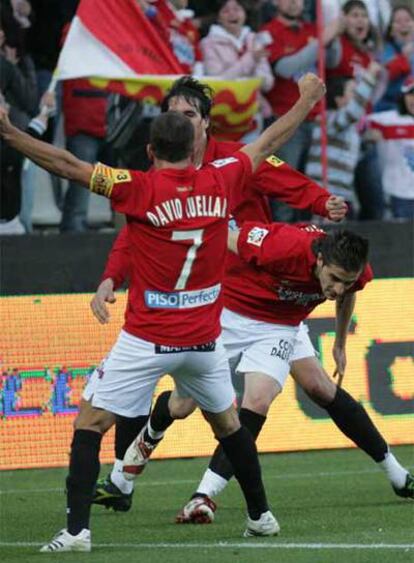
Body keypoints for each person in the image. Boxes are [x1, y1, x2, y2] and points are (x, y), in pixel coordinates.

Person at [0, 72, 326, 551]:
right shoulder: (225, 177)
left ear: (150, 153)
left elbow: (67, 164)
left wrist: (9, 133)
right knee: (230, 426)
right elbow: (270, 139)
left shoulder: (137, 188)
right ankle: (261, 516)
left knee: (89, 424)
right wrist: (306, 101)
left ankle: (76, 532)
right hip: (204, 342)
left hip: (148, 340)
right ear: (196, 148)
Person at [87, 74, 346, 512]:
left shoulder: (233, 162)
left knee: (303, 388)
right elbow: (131, 235)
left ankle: (206, 495)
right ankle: (126, 476)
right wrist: (112, 276)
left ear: (206, 124)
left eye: (188, 115)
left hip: (255, 297)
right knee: (177, 399)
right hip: (207, 301)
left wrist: (322, 202)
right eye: (173, 116)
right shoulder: (160, 174)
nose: (180, 122)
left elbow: (283, 175)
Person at [121, 222, 414, 524]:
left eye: (346, 281)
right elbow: (219, 237)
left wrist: (339, 343)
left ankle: (203, 495)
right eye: (334, 279)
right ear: (321, 260)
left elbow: (349, 291)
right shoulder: (282, 245)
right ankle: (149, 436)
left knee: (270, 398)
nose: (338, 289)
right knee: (182, 406)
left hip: (280, 326)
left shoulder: (353, 272)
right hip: (230, 314)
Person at [259, 0, 342, 221]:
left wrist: (332, 38)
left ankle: (310, 245)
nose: (296, 2)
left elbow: (333, 61)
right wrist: (321, 41)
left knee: (313, 184)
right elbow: (285, 69)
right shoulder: (268, 32)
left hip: (316, 119)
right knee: (285, 185)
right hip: (285, 120)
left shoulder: (311, 28)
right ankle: (281, 240)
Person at [305, 61, 382, 216]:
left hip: (342, 195)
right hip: (324, 195)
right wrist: (370, 76)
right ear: (339, 100)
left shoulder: (350, 128)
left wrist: (367, 142)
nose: (357, 96)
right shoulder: (327, 120)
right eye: (353, 92)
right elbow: (353, 111)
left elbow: (349, 158)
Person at [200, 0, 274, 142]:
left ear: (245, 14)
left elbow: (268, 83)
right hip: (223, 120)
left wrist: (254, 71)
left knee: (260, 162)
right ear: (218, 17)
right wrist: (251, 59)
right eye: (226, 10)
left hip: (256, 115)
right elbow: (218, 81)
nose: (232, 14)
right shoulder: (207, 43)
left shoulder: (254, 40)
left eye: (237, 9)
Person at [367, 75, 414, 220]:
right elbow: (359, 122)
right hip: (396, 192)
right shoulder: (385, 120)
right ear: (403, 96)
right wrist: (367, 135)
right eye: (411, 94)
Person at [375, 5, 414, 113]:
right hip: (389, 109)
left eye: (408, 20)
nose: (403, 24)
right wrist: (404, 57)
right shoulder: (384, 50)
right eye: (398, 21)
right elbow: (386, 75)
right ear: (391, 30)